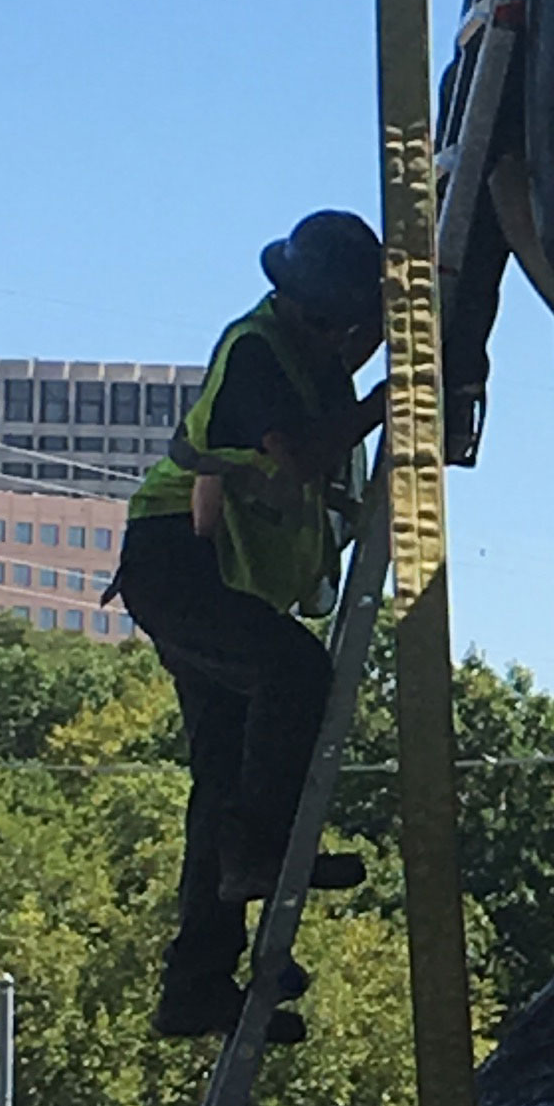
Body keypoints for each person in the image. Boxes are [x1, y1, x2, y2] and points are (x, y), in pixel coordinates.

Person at [116, 214, 387, 1044]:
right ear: (303, 308)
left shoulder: (315, 352)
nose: (349, 339)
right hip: (176, 565)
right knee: (295, 676)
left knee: (224, 775)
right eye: (338, 323)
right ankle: (259, 850)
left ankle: (197, 982)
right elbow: (298, 454)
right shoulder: (259, 351)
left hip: (219, 574)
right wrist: (391, 403)